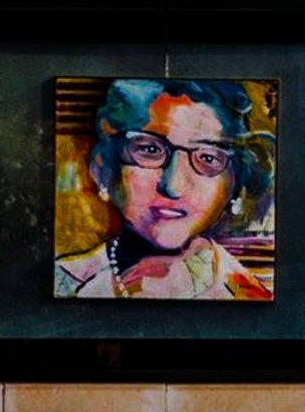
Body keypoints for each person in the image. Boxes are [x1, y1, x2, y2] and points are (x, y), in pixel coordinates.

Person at [54, 77, 275, 300]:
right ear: (104, 170)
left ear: (234, 187)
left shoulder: (250, 296)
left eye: (208, 157)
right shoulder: (61, 283)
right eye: (149, 149)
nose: (173, 186)